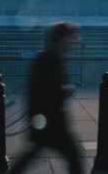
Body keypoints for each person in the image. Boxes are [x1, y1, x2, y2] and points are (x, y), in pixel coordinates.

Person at [9, 21, 83, 174]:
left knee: (33, 154)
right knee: (73, 156)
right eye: (71, 38)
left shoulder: (49, 58)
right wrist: (65, 90)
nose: (74, 42)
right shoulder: (50, 60)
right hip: (50, 120)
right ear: (61, 39)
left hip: (45, 119)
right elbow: (48, 92)